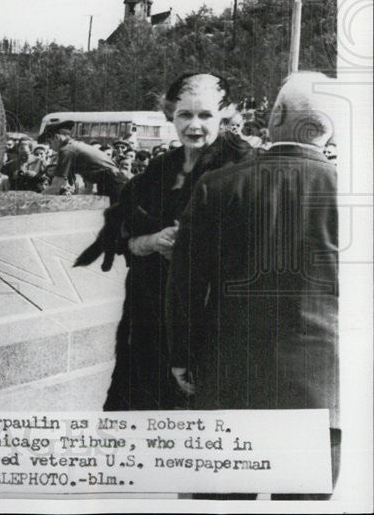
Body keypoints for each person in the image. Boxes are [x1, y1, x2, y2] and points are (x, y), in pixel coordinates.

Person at [168, 72, 341, 499]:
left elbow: (185, 286)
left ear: (277, 114)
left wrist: (181, 357)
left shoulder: (218, 186)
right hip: (321, 391)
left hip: (229, 386)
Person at [97, 73, 252, 411]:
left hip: (207, 326)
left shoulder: (245, 168)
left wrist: (192, 250)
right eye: (185, 114)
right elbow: (120, 233)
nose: (194, 125)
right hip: (146, 325)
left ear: (226, 116)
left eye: (205, 115)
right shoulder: (158, 168)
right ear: (170, 115)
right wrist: (149, 241)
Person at [40, 122, 126, 202]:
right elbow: (89, 187)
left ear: (56, 137)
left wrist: (37, 198)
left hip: (113, 183)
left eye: (49, 142)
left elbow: (57, 185)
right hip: (116, 181)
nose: (50, 147)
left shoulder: (67, 150)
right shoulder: (75, 146)